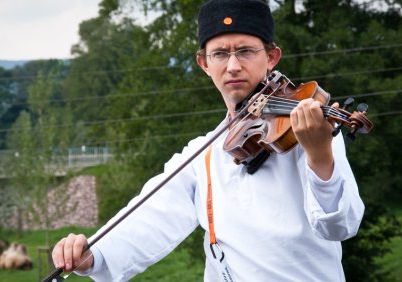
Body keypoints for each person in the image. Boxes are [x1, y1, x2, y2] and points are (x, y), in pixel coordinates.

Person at [51, 0, 365, 281]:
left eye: (245, 51)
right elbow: (151, 216)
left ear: (271, 57)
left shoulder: (309, 131)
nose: (232, 66)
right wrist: (94, 254)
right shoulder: (204, 154)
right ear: (204, 64)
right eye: (220, 54)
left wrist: (320, 156)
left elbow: (341, 225)